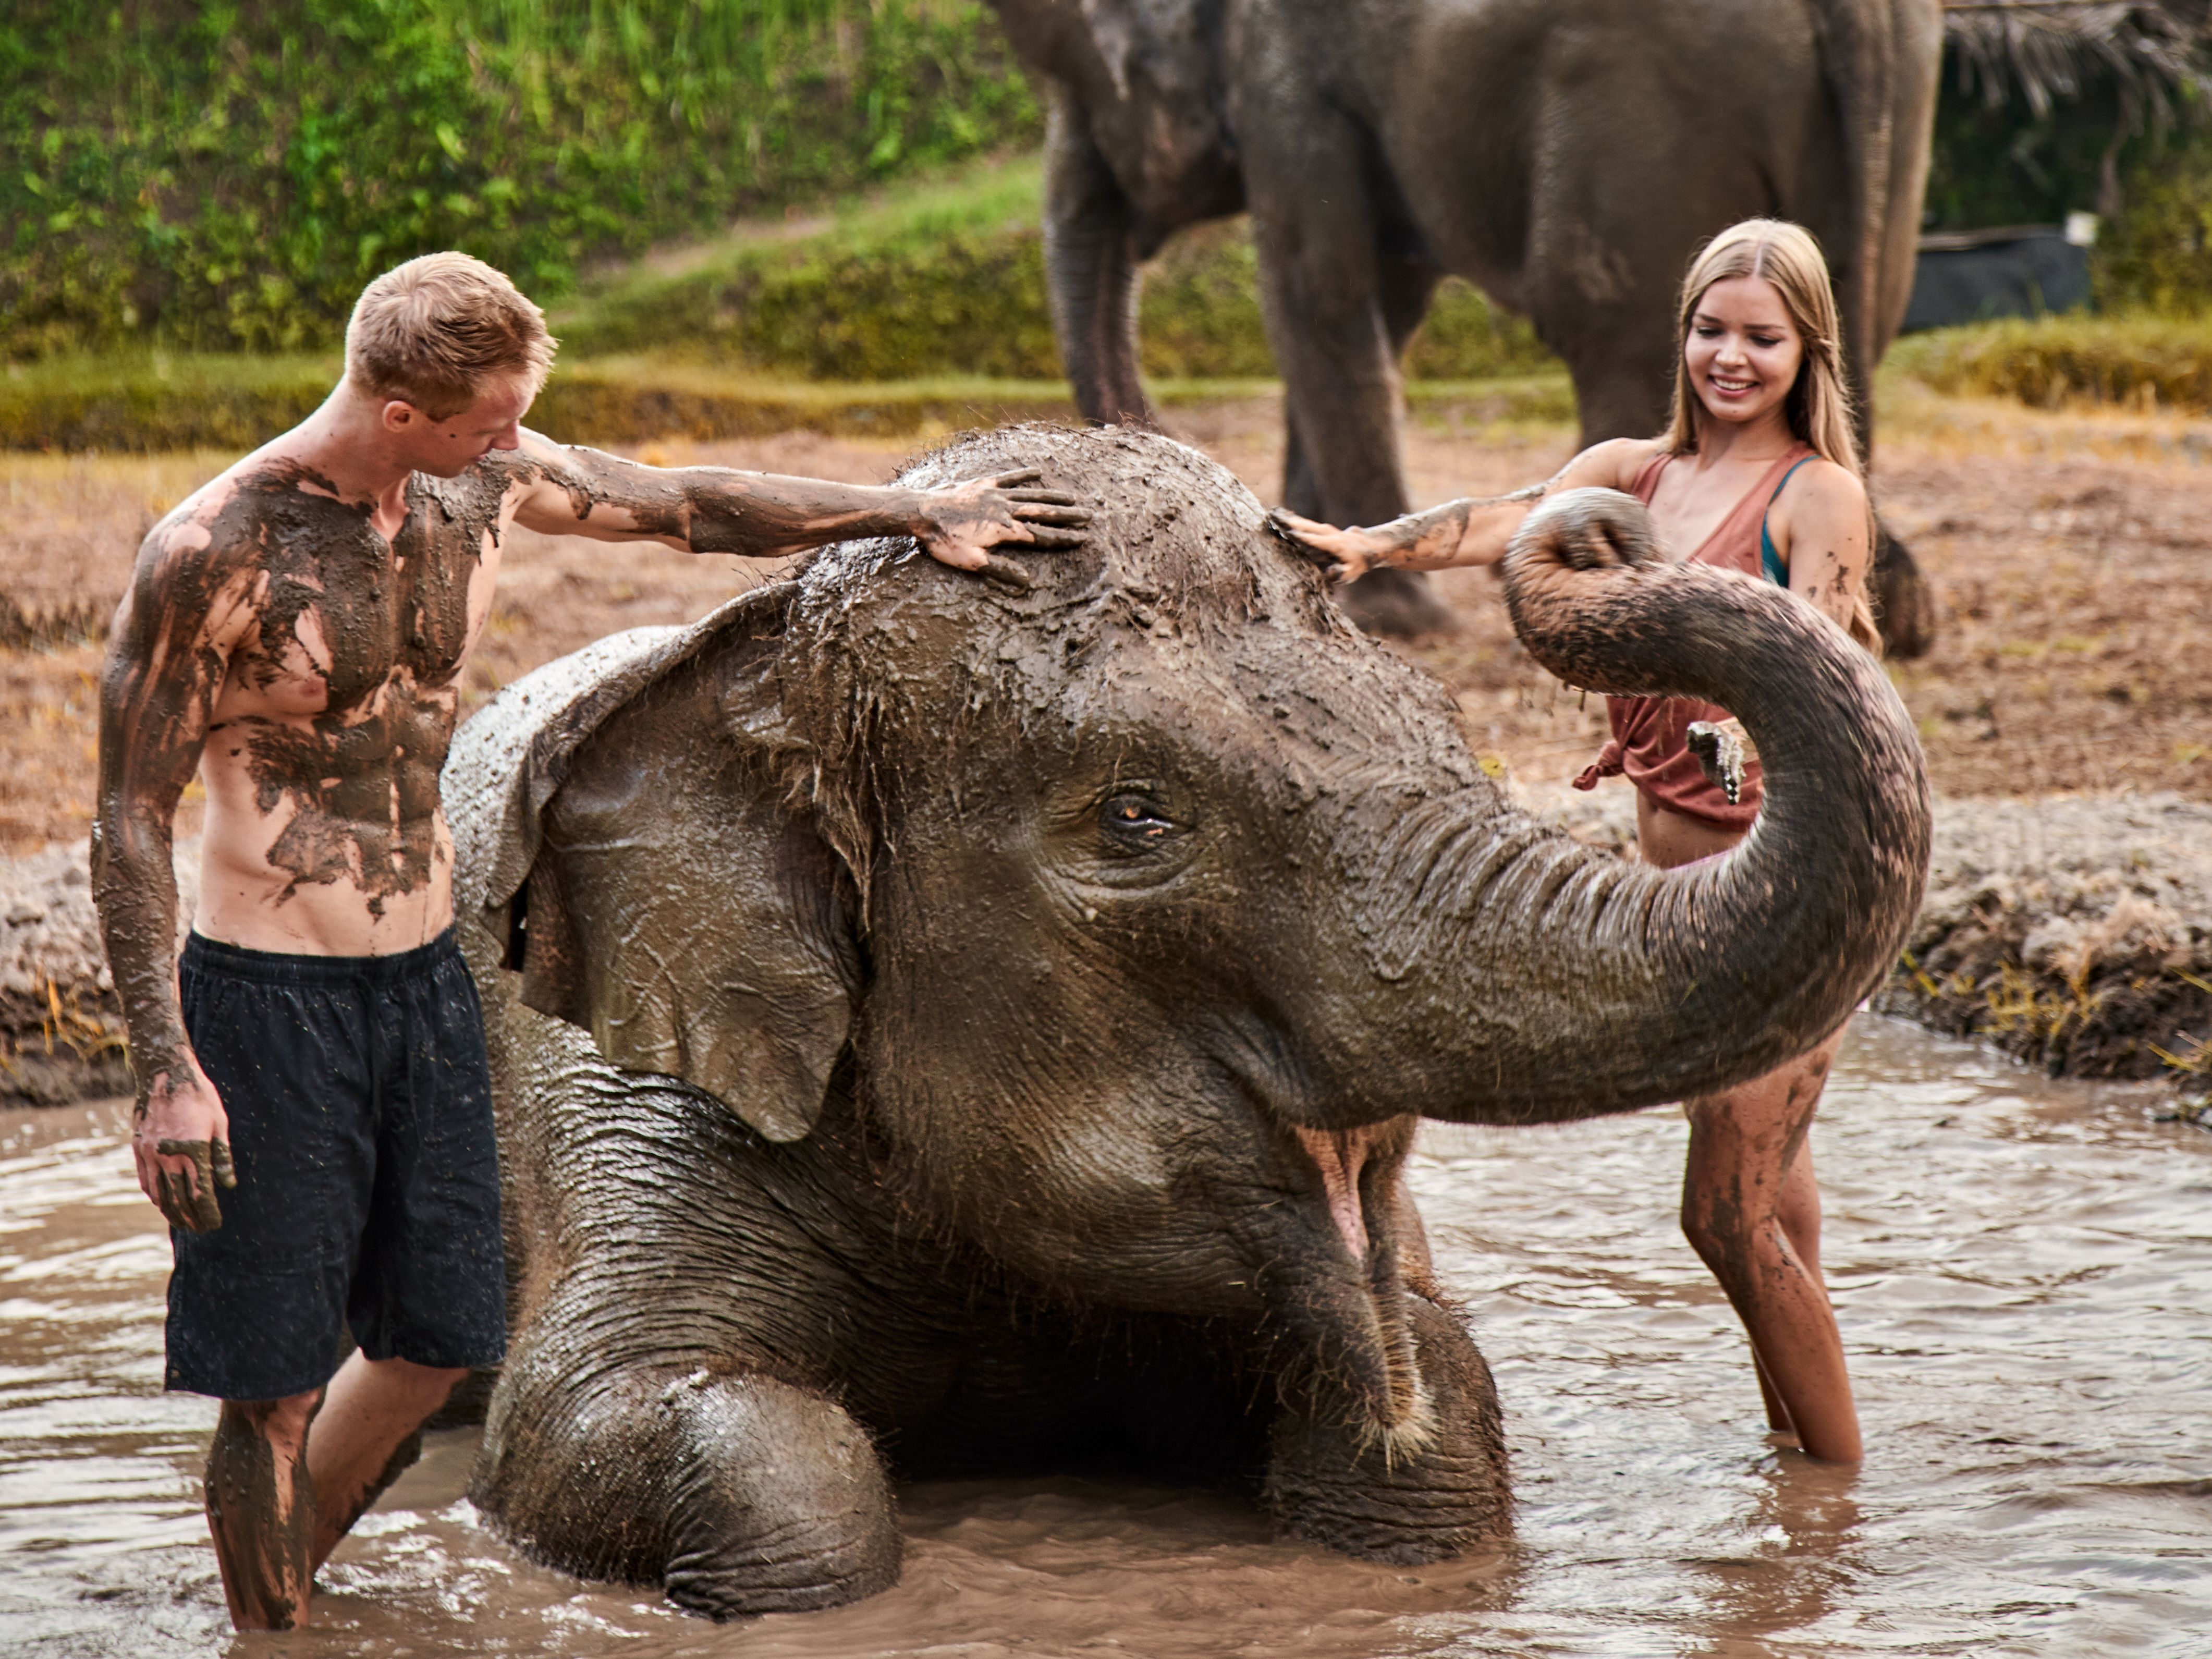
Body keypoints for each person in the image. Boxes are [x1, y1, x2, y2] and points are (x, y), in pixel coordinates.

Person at [90, 251, 1089, 1630]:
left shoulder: (478, 481)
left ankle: (281, 1607)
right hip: (271, 995)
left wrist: (914, 508)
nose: (517, 442)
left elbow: (686, 505)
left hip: (427, 977)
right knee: (271, 1378)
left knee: (441, 1345)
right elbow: (129, 816)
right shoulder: (215, 553)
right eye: (490, 417)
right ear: (396, 410)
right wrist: (166, 1066)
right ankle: (276, 1624)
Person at [1274, 218, 1877, 1463]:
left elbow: (1809, 669)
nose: (1729, 357)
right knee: (1778, 1207)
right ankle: (1799, 1488)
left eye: (1760, 338)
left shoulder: (1816, 494)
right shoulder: (1630, 475)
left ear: (1807, 349)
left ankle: (1837, 1503)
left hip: (1801, 893)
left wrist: (1730, 732)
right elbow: (1506, 522)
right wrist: (1368, 545)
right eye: (1711, 330)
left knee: (1721, 1213)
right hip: (1684, 888)